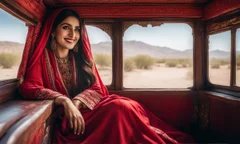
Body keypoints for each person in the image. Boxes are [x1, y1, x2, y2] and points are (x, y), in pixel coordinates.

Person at [20, 8, 193, 144]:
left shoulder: (80, 59)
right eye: (66, 28)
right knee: (119, 108)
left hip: (87, 110)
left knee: (125, 106)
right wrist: (64, 101)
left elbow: (96, 87)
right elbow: (29, 87)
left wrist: (77, 102)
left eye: (77, 29)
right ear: (52, 31)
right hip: (69, 123)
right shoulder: (42, 59)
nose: (73, 35)